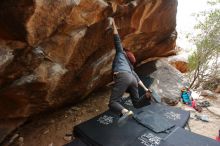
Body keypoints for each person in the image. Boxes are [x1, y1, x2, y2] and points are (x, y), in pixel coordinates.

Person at [107, 17, 152, 124]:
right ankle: (146, 98)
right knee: (136, 103)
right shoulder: (130, 66)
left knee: (113, 102)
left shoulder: (121, 53)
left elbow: (117, 39)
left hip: (123, 76)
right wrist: (146, 90)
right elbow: (137, 79)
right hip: (132, 79)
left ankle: (125, 112)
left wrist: (113, 23)